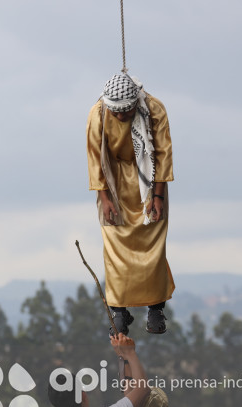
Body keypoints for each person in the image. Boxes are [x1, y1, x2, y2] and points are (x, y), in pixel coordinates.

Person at [87, 72, 176, 335]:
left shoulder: (154, 109)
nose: (121, 118)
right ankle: (119, 310)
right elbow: (93, 156)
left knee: (153, 244)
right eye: (117, 114)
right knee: (115, 246)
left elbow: (163, 153)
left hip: (148, 179)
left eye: (125, 113)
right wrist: (104, 198)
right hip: (113, 181)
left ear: (134, 104)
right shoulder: (98, 112)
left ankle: (156, 308)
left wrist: (158, 196)